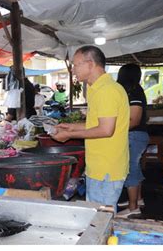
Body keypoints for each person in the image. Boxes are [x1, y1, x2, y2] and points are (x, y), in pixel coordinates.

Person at [51, 46, 130, 211]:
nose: (73, 70)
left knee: (100, 219)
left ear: (90, 64)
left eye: (76, 64)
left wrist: (69, 135)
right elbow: (97, 125)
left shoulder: (107, 90)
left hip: (106, 168)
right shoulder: (97, 89)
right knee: (97, 217)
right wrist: (71, 127)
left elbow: (106, 130)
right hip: (99, 166)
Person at [115, 63, 150, 217]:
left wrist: (111, 129)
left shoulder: (134, 92)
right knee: (135, 167)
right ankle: (138, 199)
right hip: (137, 136)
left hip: (134, 135)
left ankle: (133, 206)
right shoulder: (134, 91)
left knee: (130, 169)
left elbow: (134, 120)